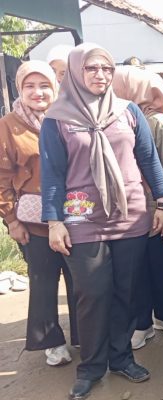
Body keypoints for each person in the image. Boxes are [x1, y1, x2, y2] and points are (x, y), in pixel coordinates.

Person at [40, 43, 163, 400]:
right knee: (93, 293)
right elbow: (51, 174)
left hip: (129, 215)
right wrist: (54, 222)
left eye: (107, 68)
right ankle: (92, 367)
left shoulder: (128, 111)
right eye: (92, 68)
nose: (101, 75)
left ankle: (121, 357)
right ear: (77, 72)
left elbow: (149, 159)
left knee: (126, 291)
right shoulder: (57, 118)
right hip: (81, 218)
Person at [0, 60, 78, 366]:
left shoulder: (67, 118)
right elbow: (2, 176)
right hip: (32, 222)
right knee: (43, 280)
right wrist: (11, 219)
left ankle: (86, 334)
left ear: (55, 87)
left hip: (73, 215)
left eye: (44, 85)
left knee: (80, 279)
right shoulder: (9, 125)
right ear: (20, 89)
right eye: (29, 86)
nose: (38, 92)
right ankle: (51, 341)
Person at [112, 66, 163, 349]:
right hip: (127, 210)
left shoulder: (159, 123)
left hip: (157, 210)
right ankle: (142, 323)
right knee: (135, 269)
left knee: (161, 264)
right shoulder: (115, 119)